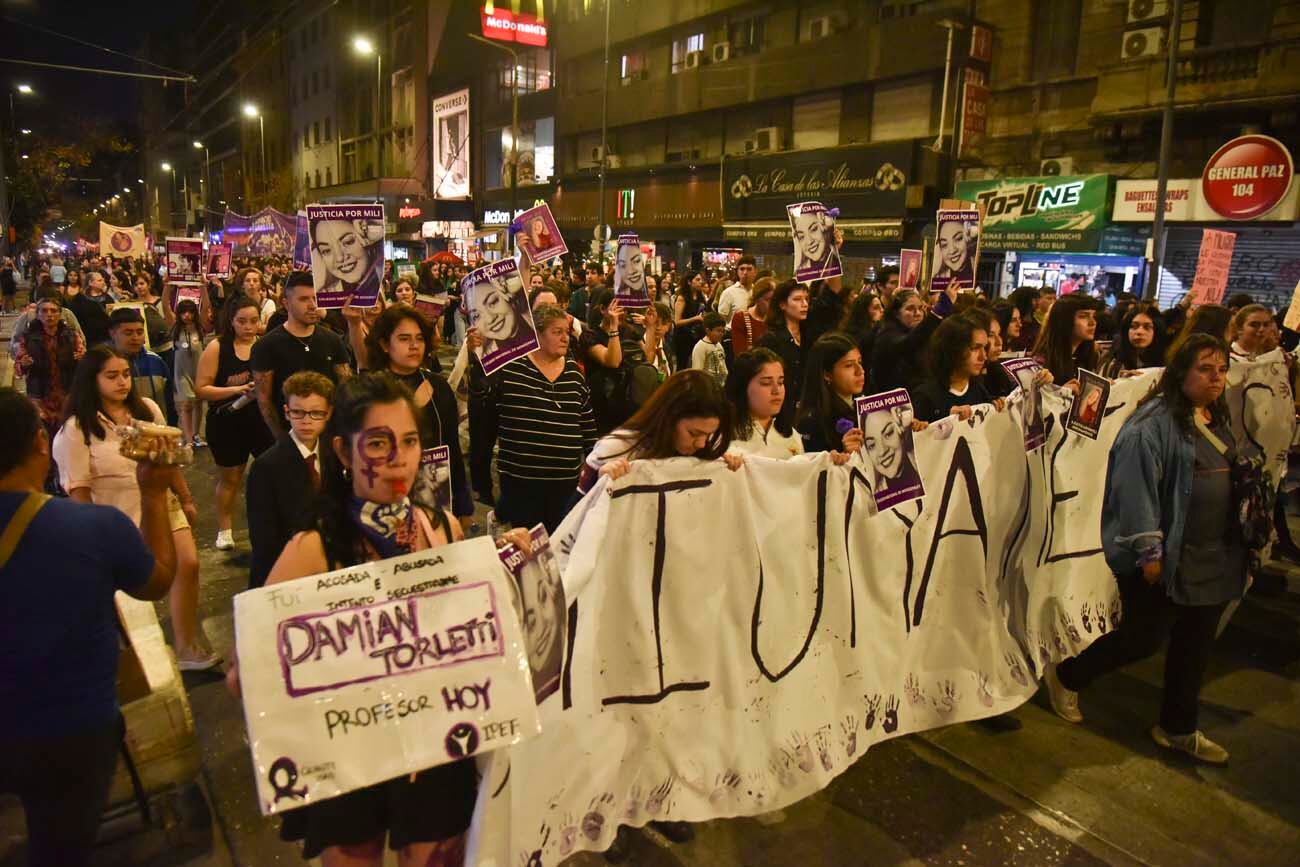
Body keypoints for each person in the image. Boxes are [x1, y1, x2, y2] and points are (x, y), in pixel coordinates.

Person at [228, 373, 503, 866]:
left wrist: (507, 572)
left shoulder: (440, 525)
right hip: (350, 753)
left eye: (410, 441)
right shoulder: (313, 548)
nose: (398, 456)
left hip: (433, 746)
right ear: (342, 452)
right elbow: (241, 674)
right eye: (379, 442)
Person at [0, 388, 179, 867]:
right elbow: (158, 580)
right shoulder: (93, 528)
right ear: (41, 443)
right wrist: (155, 492)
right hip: (73, 731)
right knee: (61, 846)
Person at [1046, 334, 1244, 765]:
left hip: (1214, 555)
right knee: (1140, 639)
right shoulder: (1150, 427)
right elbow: (1136, 494)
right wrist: (1150, 553)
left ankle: (1177, 728)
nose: (1216, 379)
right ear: (1181, 373)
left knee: (1194, 646)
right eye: (1205, 370)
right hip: (1170, 558)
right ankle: (1068, 675)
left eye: (1222, 370)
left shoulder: (1214, 414)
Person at [53, 346, 216, 669]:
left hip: (163, 504)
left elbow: (169, 462)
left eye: (126, 374)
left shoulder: (149, 410)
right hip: (117, 513)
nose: (122, 382)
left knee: (189, 564)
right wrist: (90, 530)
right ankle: (139, 658)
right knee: (131, 591)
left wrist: (185, 498)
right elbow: (78, 489)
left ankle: (185, 644)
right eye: (112, 376)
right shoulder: (75, 430)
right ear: (92, 380)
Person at [470, 303, 597, 532]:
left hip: (565, 484)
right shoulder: (511, 368)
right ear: (536, 335)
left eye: (566, 332)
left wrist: (595, 464)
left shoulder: (573, 372)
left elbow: (587, 425)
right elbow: (481, 400)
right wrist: (477, 357)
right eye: (556, 332)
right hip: (521, 484)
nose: (565, 338)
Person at [364, 306, 473, 526]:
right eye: (404, 339)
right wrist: (413, 406)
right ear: (385, 344)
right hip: (388, 498)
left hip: (437, 491)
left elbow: (451, 444)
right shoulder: (370, 389)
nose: (414, 346)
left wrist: (463, 505)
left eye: (419, 338)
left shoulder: (438, 385)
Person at [581, 369, 743, 497]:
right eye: (693, 433)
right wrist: (598, 484)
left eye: (708, 435)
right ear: (668, 419)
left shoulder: (707, 448)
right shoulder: (615, 449)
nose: (701, 444)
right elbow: (571, 520)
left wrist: (720, 464)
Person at [197, 296, 277, 550]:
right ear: (231, 321)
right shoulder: (217, 347)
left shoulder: (265, 346)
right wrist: (238, 390)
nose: (248, 327)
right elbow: (202, 389)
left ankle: (270, 526)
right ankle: (225, 529)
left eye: (254, 321)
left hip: (260, 420)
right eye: (242, 321)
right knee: (230, 477)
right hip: (227, 421)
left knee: (269, 475)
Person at [246, 371, 334, 589]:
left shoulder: (336, 455)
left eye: (315, 413)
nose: (306, 421)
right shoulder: (266, 466)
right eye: (298, 413)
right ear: (286, 412)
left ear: (328, 413)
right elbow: (264, 539)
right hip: (287, 574)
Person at [251, 271, 352, 438]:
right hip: (289, 433)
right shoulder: (266, 346)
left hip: (329, 434)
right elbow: (265, 401)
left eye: (315, 299)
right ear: (286, 303)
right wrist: (282, 441)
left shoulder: (333, 340)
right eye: (304, 299)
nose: (313, 305)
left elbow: (345, 388)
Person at [12, 295, 86, 456]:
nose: (49, 315)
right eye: (44, 311)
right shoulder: (27, 337)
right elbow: (18, 368)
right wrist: (23, 364)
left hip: (67, 394)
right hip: (39, 396)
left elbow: (84, 363)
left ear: (60, 314)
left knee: (70, 439)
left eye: (53, 311)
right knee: (44, 441)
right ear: (38, 314)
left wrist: (81, 359)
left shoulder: (72, 336)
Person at [914, 314, 1004, 422]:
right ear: (954, 350)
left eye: (984, 348)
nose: (983, 356)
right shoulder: (926, 397)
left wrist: (997, 404)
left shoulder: (978, 390)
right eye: (975, 348)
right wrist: (947, 418)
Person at [725, 348, 805, 459]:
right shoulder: (724, 436)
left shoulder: (792, 435)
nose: (776, 390)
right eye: (766, 383)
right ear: (743, 387)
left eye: (780, 382)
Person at [795, 332, 866, 454]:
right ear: (827, 374)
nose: (860, 371)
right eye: (849, 365)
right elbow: (812, 468)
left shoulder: (866, 407)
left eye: (859, 362)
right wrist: (843, 454)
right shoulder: (811, 421)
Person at [870, 287, 951, 394]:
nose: (918, 313)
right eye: (910, 308)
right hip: (894, 401)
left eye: (920, 308)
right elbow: (909, 343)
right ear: (896, 313)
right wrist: (937, 313)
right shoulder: (887, 334)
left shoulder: (923, 333)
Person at [757, 279, 812, 427]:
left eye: (806, 299)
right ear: (782, 305)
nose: (804, 304)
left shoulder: (809, 336)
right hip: (779, 411)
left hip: (805, 411)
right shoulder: (771, 339)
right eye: (797, 299)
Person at [108, 306, 173, 413]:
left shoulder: (156, 361)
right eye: (128, 333)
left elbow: (169, 403)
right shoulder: (102, 364)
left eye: (139, 332)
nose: (135, 338)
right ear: (112, 334)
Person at [1032, 293, 1101, 389]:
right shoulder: (1041, 361)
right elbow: (1034, 400)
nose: (1092, 323)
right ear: (1065, 321)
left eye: (1093, 316)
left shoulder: (1088, 354)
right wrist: (1061, 392)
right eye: (1083, 316)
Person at [310, 216, 384, 304]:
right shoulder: (326, 296)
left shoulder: (384, 286)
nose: (340, 257)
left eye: (348, 242)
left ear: (365, 237)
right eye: (326, 250)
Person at [170, 300, 208, 447]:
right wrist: (167, 285)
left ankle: (196, 435)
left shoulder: (200, 328)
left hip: (199, 372)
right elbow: (167, 306)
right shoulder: (175, 328)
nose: (187, 315)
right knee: (186, 404)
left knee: (198, 404)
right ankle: (188, 439)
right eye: (183, 312)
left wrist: (203, 287)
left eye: (190, 312)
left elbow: (206, 307)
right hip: (182, 373)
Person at [1099, 303, 1165, 378]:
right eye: (1134, 326)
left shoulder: (1164, 365)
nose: (1139, 332)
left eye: (1147, 327)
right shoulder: (1112, 363)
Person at [672, 270, 710, 371]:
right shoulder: (682, 298)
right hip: (683, 337)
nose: (700, 282)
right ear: (689, 282)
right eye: (697, 280)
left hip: (696, 335)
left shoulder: (700, 297)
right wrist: (695, 319)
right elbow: (677, 322)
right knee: (682, 365)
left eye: (701, 280)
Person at [790, 207, 839, 281]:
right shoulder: (799, 276)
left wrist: (836, 248)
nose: (809, 241)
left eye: (813, 229)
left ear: (823, 226)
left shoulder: (836, 261)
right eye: (801, 236)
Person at [729, 276, 774, 356]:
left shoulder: (776, 319)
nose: (773, 304)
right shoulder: (741, 318)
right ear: (757, 299)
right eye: (768, 300)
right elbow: (741, 354)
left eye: (775, 300)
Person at [934, 217, 976, 287]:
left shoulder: (978, 274)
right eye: (944, 245)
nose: (952, 250)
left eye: (958, 238)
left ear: (968, 239)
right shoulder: (937, 280)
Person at [716, 255, 757, 324]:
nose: (745, 273)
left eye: (749, 269)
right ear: (737, 271)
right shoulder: (728, 293)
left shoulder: (758, 292)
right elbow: (721, 319)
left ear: (755, 271)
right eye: (742, 269)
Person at [691, 311, 728, 386]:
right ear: (708, 331)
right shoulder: (700, 347)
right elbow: (697, 372)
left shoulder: (719, 346)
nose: (721, 334)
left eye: (723, 331)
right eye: (718, 331)